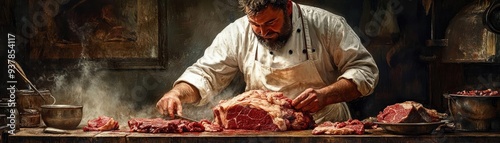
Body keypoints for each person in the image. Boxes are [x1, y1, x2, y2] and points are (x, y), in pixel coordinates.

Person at [157, 0, 379, 123]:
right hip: (264, 127)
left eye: (271, 22)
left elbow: (364, 70)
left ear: (288, 7)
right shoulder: (238, 32)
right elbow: (206, 73)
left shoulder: (327, 25)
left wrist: (326, 95)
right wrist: (176, 93)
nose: (263, 32)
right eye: (255, 24)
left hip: (323, 128)